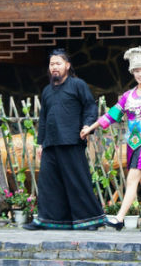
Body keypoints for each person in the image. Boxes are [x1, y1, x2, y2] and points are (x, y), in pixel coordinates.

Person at [81, 46, 141, 232]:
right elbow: (111, 115)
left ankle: (119, 218)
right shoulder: (127, 96)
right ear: (133, 72)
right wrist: (90, 128)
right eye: (137, 71)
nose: (140, 74)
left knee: (132, 179)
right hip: (133, 143)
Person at [23, 49, 105, 230]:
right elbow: (43, 118)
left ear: (67, 66)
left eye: (58, 63)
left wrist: (87, 126)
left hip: (72, 141)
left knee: (77, 181)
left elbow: (90, 107)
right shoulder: (46, 90)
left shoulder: (78, 85)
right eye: (52, 64)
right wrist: (40, 143)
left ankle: (89, 220)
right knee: (48, 183)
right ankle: (47, 220)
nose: (54, 67)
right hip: (50, 144)